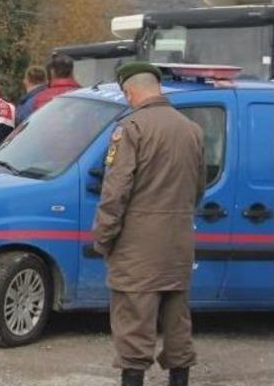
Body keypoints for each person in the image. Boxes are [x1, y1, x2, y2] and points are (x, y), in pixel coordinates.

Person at [92, 62, 206, 386]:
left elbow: (115, 192)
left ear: (130, 91)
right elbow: (199, 188)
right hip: (179, 242)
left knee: (134, 327)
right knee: (177, 322)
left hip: (136, 247)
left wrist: (104, 237)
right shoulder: (192, 130)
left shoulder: (131, 129)